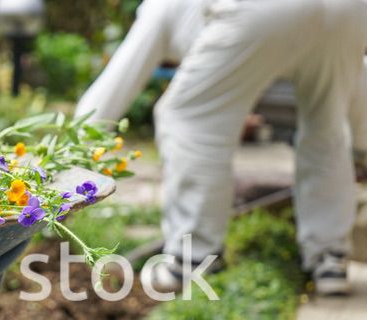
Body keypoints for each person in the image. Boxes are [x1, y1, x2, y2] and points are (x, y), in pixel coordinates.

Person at [76, 0, 367, 296]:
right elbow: (356, 91)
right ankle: (330, 260)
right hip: (351, 10)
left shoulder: (159, 8)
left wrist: (74, 150)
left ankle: (192, 258)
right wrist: (361, 146)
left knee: (189, 117)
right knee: (328, 126)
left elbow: (113, 88)